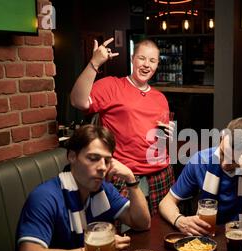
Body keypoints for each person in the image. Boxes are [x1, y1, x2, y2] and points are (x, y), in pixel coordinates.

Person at [16, 125, 151, 251]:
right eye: (93, 158)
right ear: (72, 156)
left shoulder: (104, 189)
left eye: (107, 161)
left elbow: (142, 223)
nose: (102, 168)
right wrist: (96, 250)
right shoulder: (44, 197)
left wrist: (131, 179)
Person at [70, 37, 174, 216]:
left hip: (161, 174)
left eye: (152, 60)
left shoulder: (160, 98)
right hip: (124, 174)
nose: (146, 65)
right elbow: (78, 101)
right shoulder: (112, 85)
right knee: (122, 233)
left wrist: (168, 137)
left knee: (159, 231)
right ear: (133, 58)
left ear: (157, 64)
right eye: (142, 58)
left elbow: (157, 139)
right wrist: (94, 63)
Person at [159, 117, 242, 237]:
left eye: (234, 161)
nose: (224, 164)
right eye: (223, 153)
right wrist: (179, 220)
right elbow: (166, 202)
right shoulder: (201, 160)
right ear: (221, 138)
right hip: (206, 235)